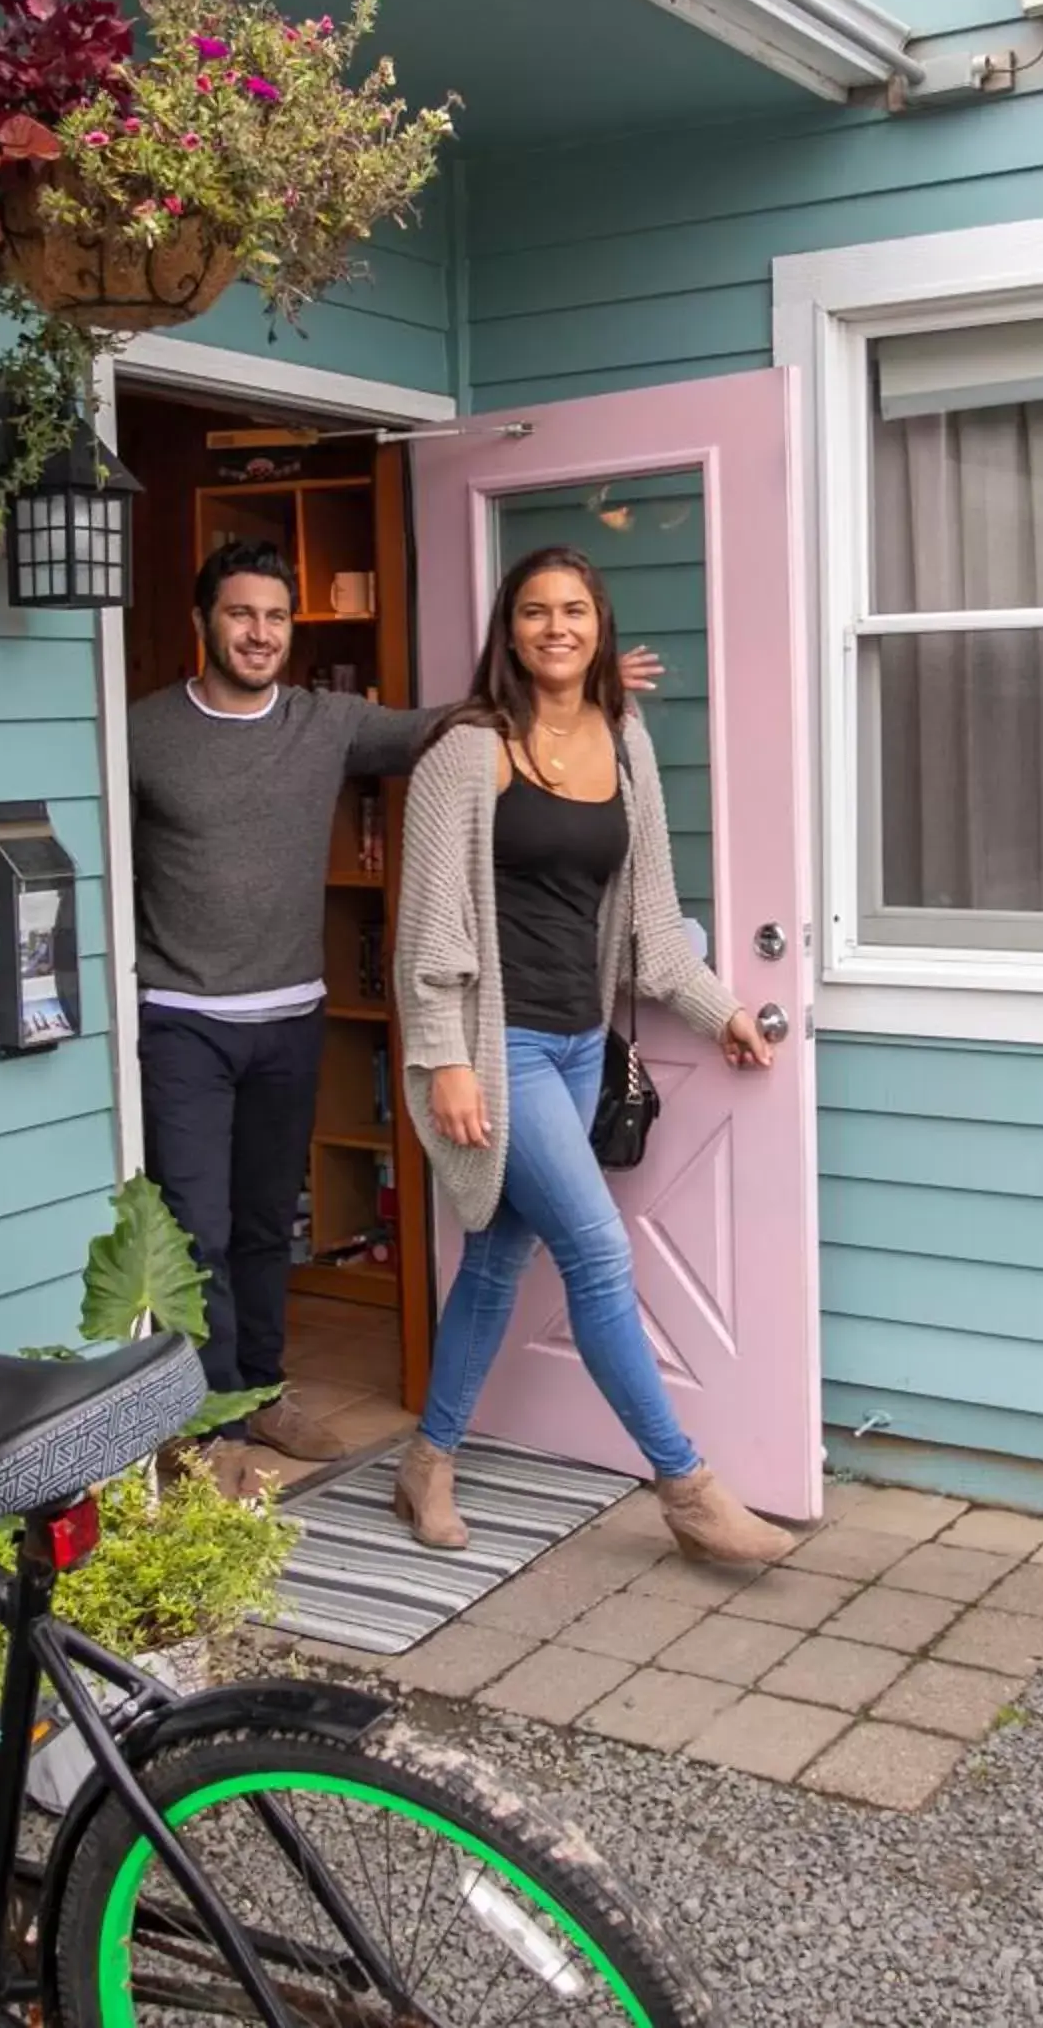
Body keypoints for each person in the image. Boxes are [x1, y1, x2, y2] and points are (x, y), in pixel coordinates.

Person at [128, 539, 658, 1497]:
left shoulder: (326, 721)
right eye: (241, 614)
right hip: (182, 1016)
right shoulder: (141, 733)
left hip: (291, 1013)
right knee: (193, 1230)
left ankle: (259, 1388)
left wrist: (574, 680)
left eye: (276, 618)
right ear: (202, 620)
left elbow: (452, 729)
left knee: (260, 1226)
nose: (259, 633)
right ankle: (204, 1431)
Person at [388, 544, 792, 1564]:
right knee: (601, 1254)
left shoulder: (625, 738)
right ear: (507, 631)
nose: (556, 627)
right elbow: (428, 926)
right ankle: (687, 1487)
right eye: (534, 611)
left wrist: (720, 1009)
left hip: (577, 1044)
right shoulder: (466, 754)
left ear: (600, 624)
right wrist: (446, 1060)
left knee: (496, 1256)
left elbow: (652, 913)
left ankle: (428, 1459)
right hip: (498, 1045)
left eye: (574, 609)